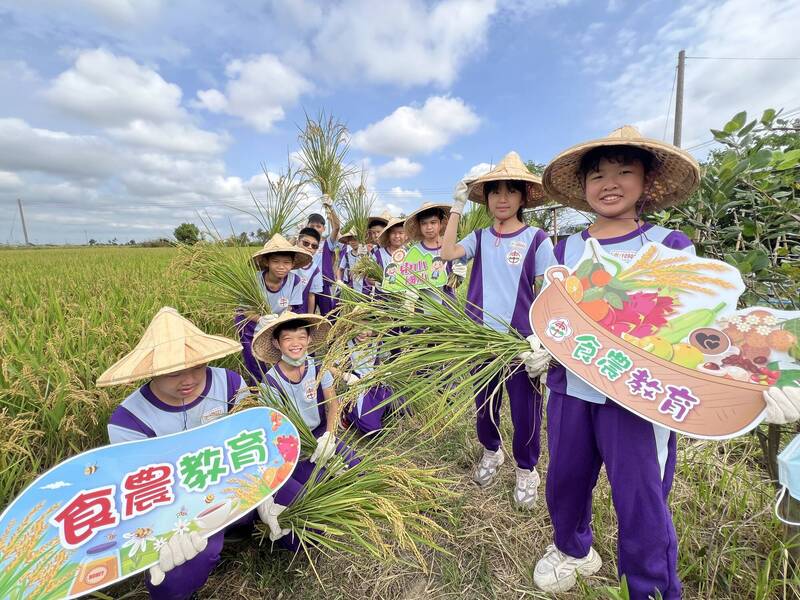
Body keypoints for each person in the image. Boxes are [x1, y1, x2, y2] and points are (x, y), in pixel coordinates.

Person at [534, 127, 800, 599]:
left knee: (641, 498)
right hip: (570, 387)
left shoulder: (668, 243)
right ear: (584, 188)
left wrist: (759, 381)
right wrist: (538, 344)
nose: (609, 183)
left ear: (647, 181)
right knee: (565, 480)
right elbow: (551, 307)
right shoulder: (565, 248)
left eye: (623, 171)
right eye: (597, 175)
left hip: (641, 395)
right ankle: (573, 550)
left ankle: (651, 587)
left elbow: (703, 323)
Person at [99, 307, 303, 600]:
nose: (188, 379)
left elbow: (254, 442)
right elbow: (141, 491)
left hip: (241, 481)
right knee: (174, 575)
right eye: (173, 371)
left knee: (300, 514)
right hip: (183, 506)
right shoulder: (129, 420)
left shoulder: (229, 383)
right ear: (152, 370)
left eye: (196, 366)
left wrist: (263, 494)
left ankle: (247, 526)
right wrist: (162, 528)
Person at [441, 151, 555, 509]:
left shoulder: (537, 239)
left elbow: (549, 293)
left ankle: (526, 469)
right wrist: (456, 207)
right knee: (485, 404)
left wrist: (544, 343)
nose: (501, 198)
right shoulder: (478, 237)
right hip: (480, 339)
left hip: (520, 343)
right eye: (494, 192)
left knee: (525, 411)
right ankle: (491, 452)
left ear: (523, 197)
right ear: (487, 199)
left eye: (509, 191)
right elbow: (447, 253)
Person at [252, 312, 360, 485]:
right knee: (323, 484)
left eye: (301, 337)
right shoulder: (271, 383)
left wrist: (329, 436)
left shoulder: (318, 366)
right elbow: (276, 431)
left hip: (320, 432)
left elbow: (333, 404)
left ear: (309, 339)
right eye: (287, 339)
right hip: (294, 444)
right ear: (276, 343)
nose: (296, 344)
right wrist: (306, 450)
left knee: (357, 468)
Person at [236, 234, 313, 383]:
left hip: (278, 321)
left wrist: (281, 319)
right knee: (254, 359)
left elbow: (292, 306)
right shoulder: (254, 281)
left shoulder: (295, 280)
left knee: (279, 353)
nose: (281, 266)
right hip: (250, 323)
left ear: (292, 264)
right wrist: (261, 319)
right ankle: (258, 388)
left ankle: (278, 383)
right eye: (276, 261)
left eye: (286, 262)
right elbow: (244, 309)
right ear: (267, 262)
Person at [403, 202, 462, 306]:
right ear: (419, 226)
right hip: (422, 306)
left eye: (433, 222)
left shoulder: (451, 248)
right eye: (424, 223)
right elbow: (407, 279)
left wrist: (459, 276)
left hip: (448, 305)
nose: (429, 227)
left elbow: (456, 283)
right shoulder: (414, 251)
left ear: (441, 223)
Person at [338, 329, 395, 435]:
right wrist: (346, 376)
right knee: (372, 431)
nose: (363, 332)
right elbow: (328, 367)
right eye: (358, 326)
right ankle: (346, 405)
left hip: (377, 384)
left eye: (367, 327)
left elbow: (381, 360)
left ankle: (377, 410)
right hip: (359, 387)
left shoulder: (377, 342)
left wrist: (383, 371)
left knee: (402, 406)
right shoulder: (346, 344)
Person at [308, 196, 342, 317]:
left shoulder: (327, 243)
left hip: (324, 283)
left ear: (323, 229)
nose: (315, 229)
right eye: (312, 226)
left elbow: (337, 227)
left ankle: (329, 335)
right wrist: (297, 234)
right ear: (306, 227)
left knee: (328, 315)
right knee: (307, 315)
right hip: (307, 282)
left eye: (318, 226)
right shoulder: (302, 244)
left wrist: (331, 207)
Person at [293, 227, 324, 314]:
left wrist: (310, 318)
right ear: (297, 242)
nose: (309, 247)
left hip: (300, 313)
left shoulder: (315, 270)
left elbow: (311, 295)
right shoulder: (286, 262)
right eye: (306, 243)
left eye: (314, 246)